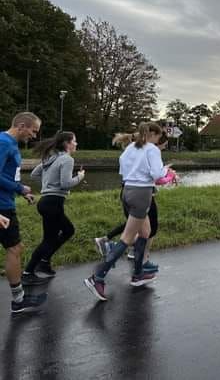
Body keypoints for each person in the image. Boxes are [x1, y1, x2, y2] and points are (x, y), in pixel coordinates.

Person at [84, 122, 167, 301]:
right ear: (152, 134)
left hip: (127, 190)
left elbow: (123, 168)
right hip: (142, 193)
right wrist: (167, 173)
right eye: (158, 137)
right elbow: (157, 175)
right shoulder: (152, 149)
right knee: (128, 237)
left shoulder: (130, 147)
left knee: (145, 232)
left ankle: (138, 274)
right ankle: (97, 277)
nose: (158, 140)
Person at [94, 133, 176, 274]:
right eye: (165, 144)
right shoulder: (151, 152)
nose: (165, 147)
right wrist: (170, 175)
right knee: (146, 230)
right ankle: (112, 256)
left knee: (139, 228)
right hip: (142, 195)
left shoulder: (134, 150)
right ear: (156, 141)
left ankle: (137, 265)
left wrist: (166, 172)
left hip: (129, 192)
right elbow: (156, 177)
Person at [22, 132, 85, 282]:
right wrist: (80, 176)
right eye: (75, 141)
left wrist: (47, 185)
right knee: (49, 240)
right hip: (53, 203)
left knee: (67, 230)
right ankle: (28, 272)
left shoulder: (52, 157)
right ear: (67, 143)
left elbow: (34, 174)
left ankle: (44, 262)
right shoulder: (67, 159)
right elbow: (65, 184)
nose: (76, 144)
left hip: (46, 201)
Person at [0, 112, 47, 313]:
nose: (34, 136)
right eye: (33, 131)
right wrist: (19, 189)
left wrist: (21, 191)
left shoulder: (9, 143)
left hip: (6, 203)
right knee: (15, 249)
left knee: (15, 248)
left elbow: (5, 174)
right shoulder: (3, 143)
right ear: (21, 125)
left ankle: (19, 298)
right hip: (1, 206)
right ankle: (18, 299)